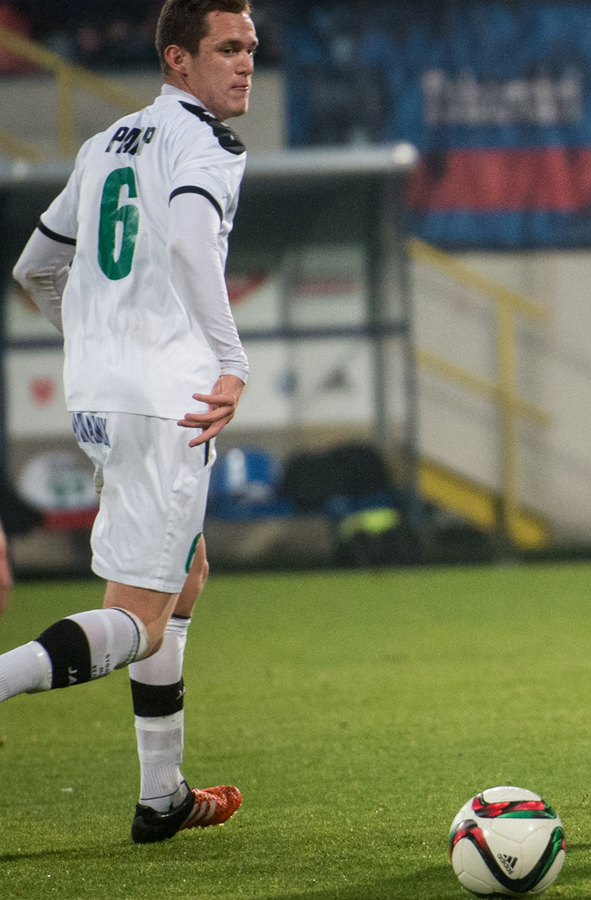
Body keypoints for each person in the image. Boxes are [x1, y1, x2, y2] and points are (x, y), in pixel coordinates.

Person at [1, 0, 254, 843]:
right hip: (167, 400)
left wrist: (94, 342)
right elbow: (188, 244)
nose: (246, 62)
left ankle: (162, 795)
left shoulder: (104, 142)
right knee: (141, 621)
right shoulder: (204, 143)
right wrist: (231, 360)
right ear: (178, 58)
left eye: (251, 47)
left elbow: (37, 267)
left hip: (102, 395)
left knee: (186, 572)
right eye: (227, 47)